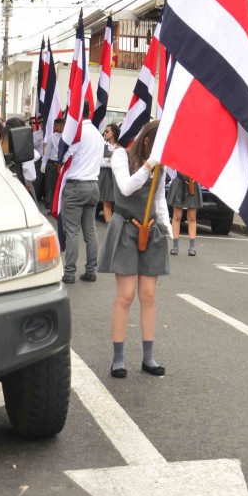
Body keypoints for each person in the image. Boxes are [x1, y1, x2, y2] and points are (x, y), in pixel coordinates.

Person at [98, 120, 171, 379]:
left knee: (149, 295)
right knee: (126, 295)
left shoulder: (159, 165)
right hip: (127, 227)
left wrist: (166, 225)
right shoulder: (120, 155)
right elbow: (127, 187)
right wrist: (149, 166)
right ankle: (118, 358)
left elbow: (159, 197)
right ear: (148, 140)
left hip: (151, 230)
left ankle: (148, 357)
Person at [60, 104, 102, 284]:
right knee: (90, 231)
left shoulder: (77, 133)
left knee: (72, 232)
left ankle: (69, 272)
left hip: (76, 186)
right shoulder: (98, 135)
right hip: (93, 185)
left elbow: (63, 156)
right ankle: (91, 270)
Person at [168, 171, 203, 255]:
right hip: (179, 182)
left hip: (193, 183)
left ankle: (192, 247)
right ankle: (175, 246)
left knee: (192, 217)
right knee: (177, 216)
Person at [98, 122, 120, 223]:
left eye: (107, 131)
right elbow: (98, 161)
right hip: (104, 176)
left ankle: (112, 225)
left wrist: (112, 161)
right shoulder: (102, 146)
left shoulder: (120, 147)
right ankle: (109, 225)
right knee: (105, 202)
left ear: (114, 133)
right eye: (105, 131)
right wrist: (109, 161)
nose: (105, 133)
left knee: (113, 203)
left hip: (115, 177)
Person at [42, 117, 65, 210]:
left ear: (62, 125)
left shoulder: (68, 137)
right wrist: (43, 164)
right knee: (50, 185)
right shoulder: (52, 137)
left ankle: (60, 205)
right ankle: (50, 205)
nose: (54, 127)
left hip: (63, 163)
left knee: (61, 186)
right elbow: (47, 152)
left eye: (56, 125)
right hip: (52, 163)